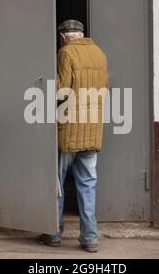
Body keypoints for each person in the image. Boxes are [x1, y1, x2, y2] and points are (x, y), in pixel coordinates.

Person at [38, 20, 109, 253]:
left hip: (69, 131)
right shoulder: (99, 53)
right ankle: (90, 237)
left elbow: (62, 91)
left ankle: (54, 233)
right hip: (93, 130)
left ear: (64, 36)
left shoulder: (66, 53)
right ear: (80, 34)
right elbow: (105, 90)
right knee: (88, 183)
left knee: (56, 182)